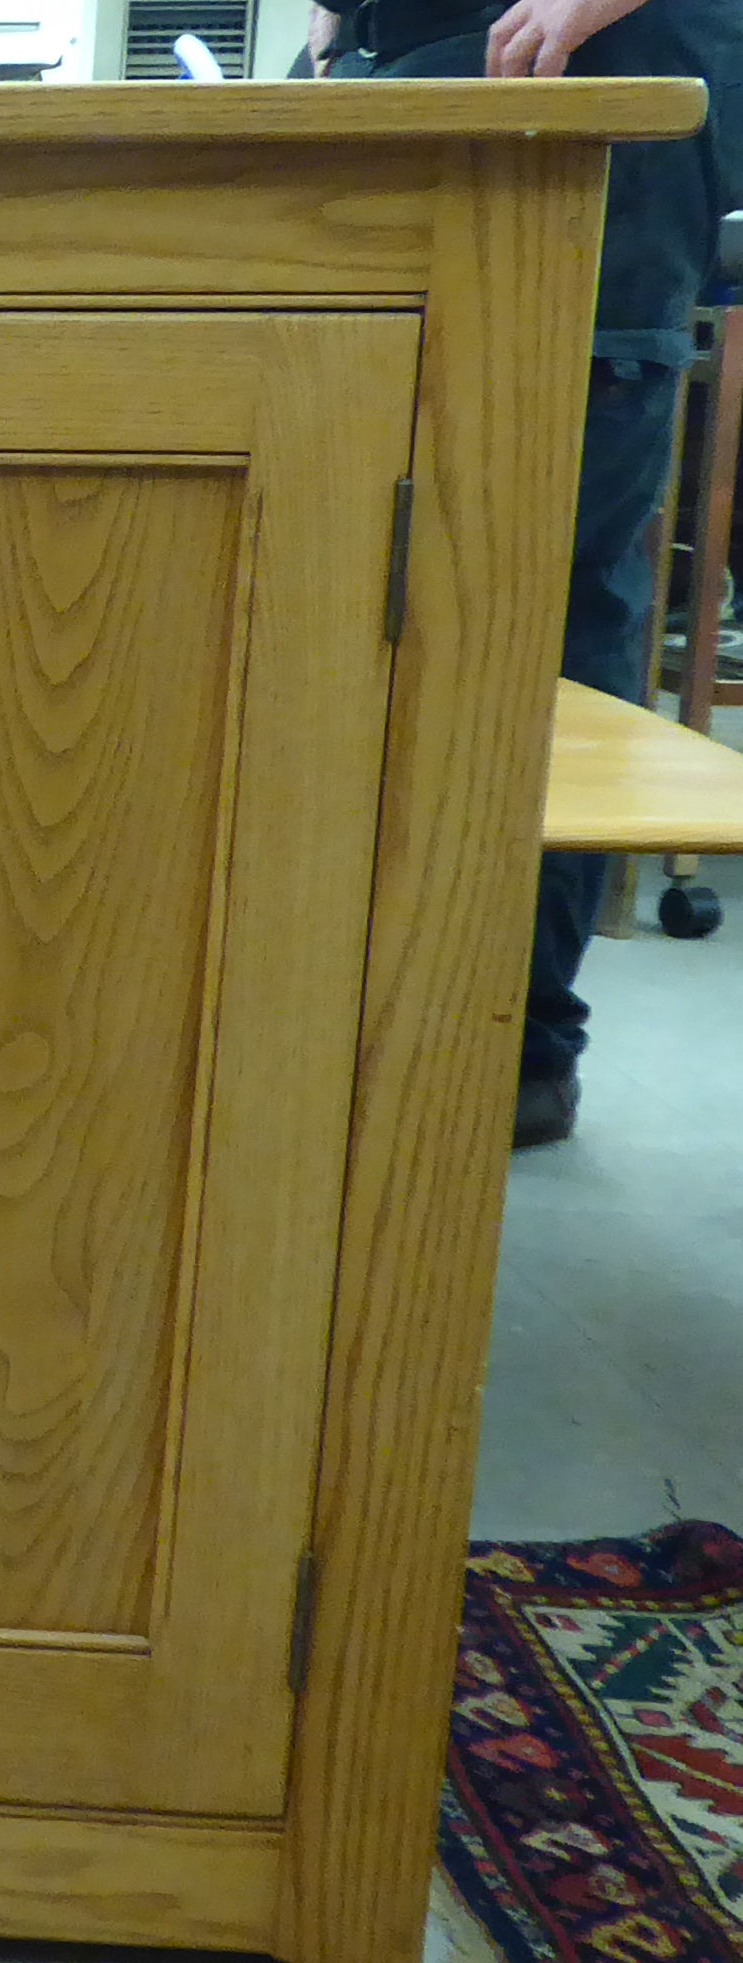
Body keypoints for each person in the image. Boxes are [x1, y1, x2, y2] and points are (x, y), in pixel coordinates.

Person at [318, 0, 743, 1146]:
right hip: (406, 73)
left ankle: (511, 1047)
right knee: (332, 581)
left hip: (579, 72)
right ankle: (330, 1020)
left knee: (528, 613)